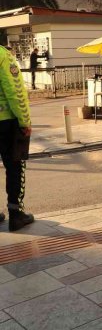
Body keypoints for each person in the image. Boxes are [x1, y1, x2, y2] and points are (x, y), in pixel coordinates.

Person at [0, 45, 35, 231]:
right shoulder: (3, 56)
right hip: (6, 122)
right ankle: (16, 215)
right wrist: (24, 121)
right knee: (15, 167)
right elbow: (15, 92)